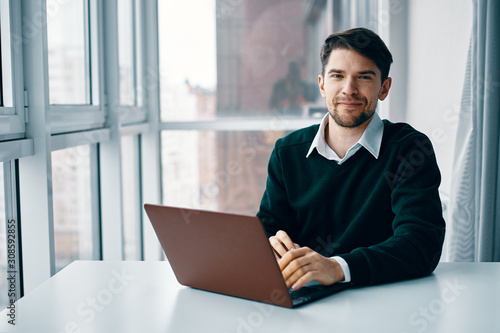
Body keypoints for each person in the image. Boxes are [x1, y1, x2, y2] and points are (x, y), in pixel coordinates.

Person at [257, 28, 445, 290]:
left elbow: (420, 244)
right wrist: (270, 247)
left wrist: (337, 268)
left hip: (385, 299)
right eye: (338, 76)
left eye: (364, 77)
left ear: (384, 88)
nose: (349, 89)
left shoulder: (409, 149)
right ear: (322, 85)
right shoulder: (287, 151)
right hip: (305, 299)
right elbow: (267, 231)